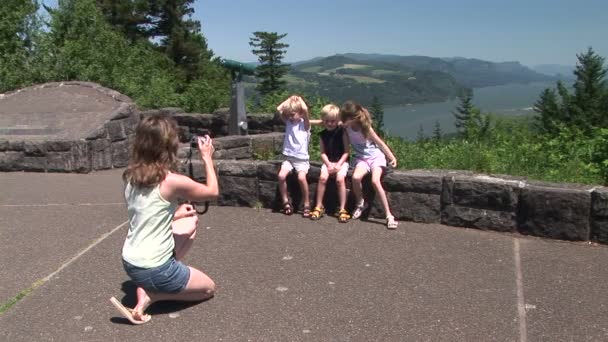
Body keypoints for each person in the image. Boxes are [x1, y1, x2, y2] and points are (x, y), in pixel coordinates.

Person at [110, 114, 219, 324]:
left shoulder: (131, 176)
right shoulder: (171, 181)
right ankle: (155, 294)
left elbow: (144, 214)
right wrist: (206, 157)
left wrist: (175, 213)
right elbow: (212, 191)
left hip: (131, 263)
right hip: (155, 268)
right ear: (169, 145)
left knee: (190, 222)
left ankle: (148, 286)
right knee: (208, 289)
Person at [340, 101, 399, 229]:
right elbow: (327, 121)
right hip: (362, 158)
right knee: (355, 178)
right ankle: (361, 203)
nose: (344, 120)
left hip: (375, 157)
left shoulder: (365, 127)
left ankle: (389, 215)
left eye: (347, 118)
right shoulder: (346, 128)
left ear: (353, 117)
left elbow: (380, 143)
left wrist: (391, 157)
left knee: (375, 181)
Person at [310, 104, 351, 223]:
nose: (330, 124)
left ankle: (343, 208)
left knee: (340, 179)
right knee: (322, 178)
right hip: (329, 161)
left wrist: (338, 165)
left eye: (333, 121)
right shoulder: (322, 135)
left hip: (341, 161)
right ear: (323, 121)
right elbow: (322, 153)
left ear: (337, 120)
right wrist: (328, 164)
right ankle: (319, 206)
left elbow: (347, 152)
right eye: (327, 121)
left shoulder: (342, 132)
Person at [276, 95, 315, 217]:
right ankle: (286, 202)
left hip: (301, 160)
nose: (290, 117)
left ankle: (307, 202)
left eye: (292, 114)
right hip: (289, 158)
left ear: (301, 113)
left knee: (301, 178)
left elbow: (305, 109)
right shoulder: (288, 122)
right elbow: (278, 109)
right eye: (288, 114)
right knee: (281, 176)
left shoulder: (305, 125)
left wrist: (299, 99)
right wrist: (290, 99)